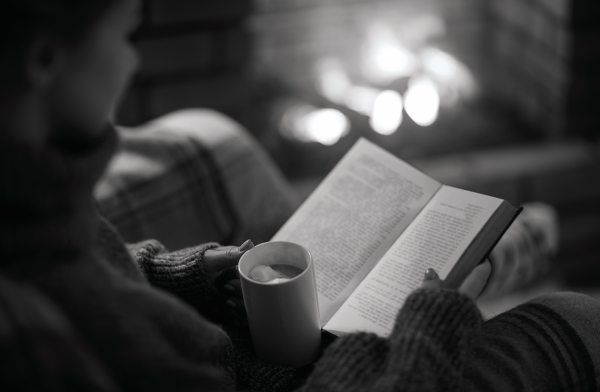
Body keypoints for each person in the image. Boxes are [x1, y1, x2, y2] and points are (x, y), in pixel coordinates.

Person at [1, 0, 599, 391]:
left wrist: (189, 272)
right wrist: (429, 322)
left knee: (219, 139)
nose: (133, 60)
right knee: (584, 316)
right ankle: (512, 255)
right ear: (45, 60)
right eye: (126, 34)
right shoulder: (29, 341)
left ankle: (510, 253)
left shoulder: (32, 197)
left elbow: (97, 274)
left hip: (249, 349)